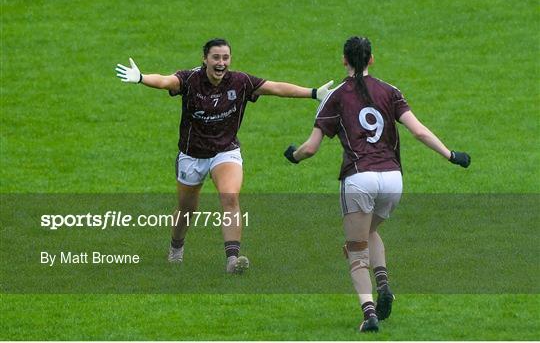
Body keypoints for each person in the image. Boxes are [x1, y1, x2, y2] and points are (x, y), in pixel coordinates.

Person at [283, 36, 470, 332]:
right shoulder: (390, 92)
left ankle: (369, 314)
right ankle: (384, 285)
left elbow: (310, 148)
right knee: (370, 230)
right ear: (371, 59)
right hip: (393, 180)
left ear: (344, 60)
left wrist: (292, 156)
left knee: (355, 251)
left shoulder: (336, 97)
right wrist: (451, 155)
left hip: (359, 179)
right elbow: (419, 131)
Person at [115, 38, 333, 274]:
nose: (221, 63)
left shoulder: (240, 82)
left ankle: (232, 260)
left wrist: (314, 93)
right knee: (186, 209)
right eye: (216, 57)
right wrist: (141, 78)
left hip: (225, 151)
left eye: (225, 58)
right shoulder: (189, 79)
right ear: (205, 59)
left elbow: (276, 88)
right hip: (192, 155)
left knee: (230, 198)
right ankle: (176, 248)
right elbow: (165, 81)